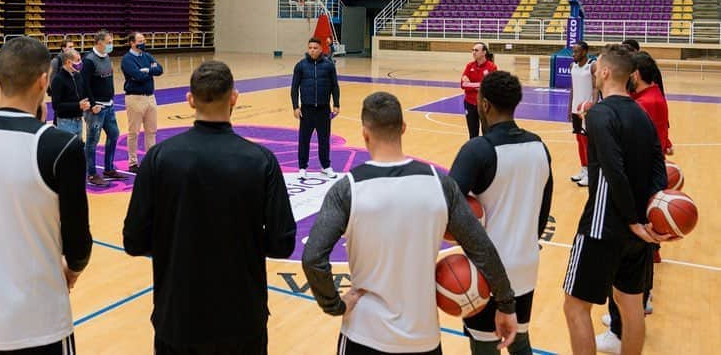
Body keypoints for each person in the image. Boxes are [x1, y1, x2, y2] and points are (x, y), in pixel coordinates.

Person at [302, 91, 518, 354]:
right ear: (403, 128)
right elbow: (481, 249)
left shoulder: (347, 189)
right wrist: (506, 304)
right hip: (423, 338)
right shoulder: (441, 185)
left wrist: (334, 305)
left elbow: (313, 257)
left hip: (364, 335)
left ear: (364, 133)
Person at [124, 60, 296, 354]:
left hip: (177, 316)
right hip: (243, 318)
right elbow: (282, 243)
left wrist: (176, 242)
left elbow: (134, 240)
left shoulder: (158, 158)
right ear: (234, 98)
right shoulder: (262, 160)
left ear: (190, 100)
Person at [0, 36, 92, 354]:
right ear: (44, 81)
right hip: (38, 324)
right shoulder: (61, 145)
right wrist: (72, 272)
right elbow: (78, 243)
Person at [562, 45, 671, 355]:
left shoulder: (600, 112)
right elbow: (658, 168)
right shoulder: (641, 112)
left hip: (603, 226)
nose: (594, 72)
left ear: (607, 72)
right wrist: (648, 218)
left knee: (574, 306)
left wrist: (634, 221)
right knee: (631, 305)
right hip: (637, 230)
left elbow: (613, 170)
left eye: (597, 68)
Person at [450, 71, 553, 354]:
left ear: (484, 105)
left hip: (488, 272)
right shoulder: (539, 146)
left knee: (486, 346)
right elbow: (543, 214)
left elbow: (445, 207)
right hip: (526, 263)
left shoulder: (477, 150)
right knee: (519, 340)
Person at [291, 37, 340, 179]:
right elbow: (294, 88)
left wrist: (336, 104)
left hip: (324, 110)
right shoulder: (300, 66)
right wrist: (295, 106)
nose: (312, 50)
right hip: (306, 110)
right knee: (304, 140)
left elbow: (334, 86)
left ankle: (325, 166)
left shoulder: (329, 65)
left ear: (321, 49)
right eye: (310, 48)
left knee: (324, 139)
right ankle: (302, 167)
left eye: (315, 48)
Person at [81, 29, 124, 186]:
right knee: (92, 141)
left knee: (114, 134)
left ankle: (108, 168)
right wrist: (92, 105)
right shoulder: (89, 60)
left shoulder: (106, 57)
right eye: (109, 42)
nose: (111, 45)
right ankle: (92, 174)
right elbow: (84, 84)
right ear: (99, 43)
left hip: (109, 106)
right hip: (97, 108)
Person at [121, 32, 163, 173]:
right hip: (135, 98)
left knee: (151, 131)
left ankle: (150, 160)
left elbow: (160, 69)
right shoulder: (127, 59)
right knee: (134, 132)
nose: (143, 42)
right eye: (140, 40)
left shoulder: (147, 55)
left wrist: (147, 70)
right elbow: (137, 76)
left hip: (150, 97)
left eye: (143, 40)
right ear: (132, 43)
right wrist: (150, 71)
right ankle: (133, 162)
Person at [569, 41, 596, 187]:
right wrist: (569, 109)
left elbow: (596, 88)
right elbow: (573, 89)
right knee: (579, 141)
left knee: (587, 143)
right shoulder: (572, 66)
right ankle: (584, 169)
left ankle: (591, 173)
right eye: (573, 51)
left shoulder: (591, 66)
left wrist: (594, 106)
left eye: (577, 51)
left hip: (587, 110)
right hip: (576, 109)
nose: (574, 54)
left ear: (584, 52)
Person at [49, 48, 89, 139]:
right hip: (65, 122)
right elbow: (56, 106)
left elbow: (81, 95)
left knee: (77, 149)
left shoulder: (78, 75)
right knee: (67, 151)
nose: (80, 63)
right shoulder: (58, 80)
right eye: (78, 60)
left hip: (78, 120)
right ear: (68, 62)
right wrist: (78, 105)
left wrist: (88, 102)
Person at [461, 42, 498, 139]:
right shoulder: (469, 66)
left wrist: (471, 84)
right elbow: (463, 84)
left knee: (487, 132)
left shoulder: (492, 67)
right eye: (472, 50)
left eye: (476, 50)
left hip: (484, 104)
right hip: (470, 103)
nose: (473, 52)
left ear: (484, 52)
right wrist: (479, 85)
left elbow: (490, 86)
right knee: (473, 133)